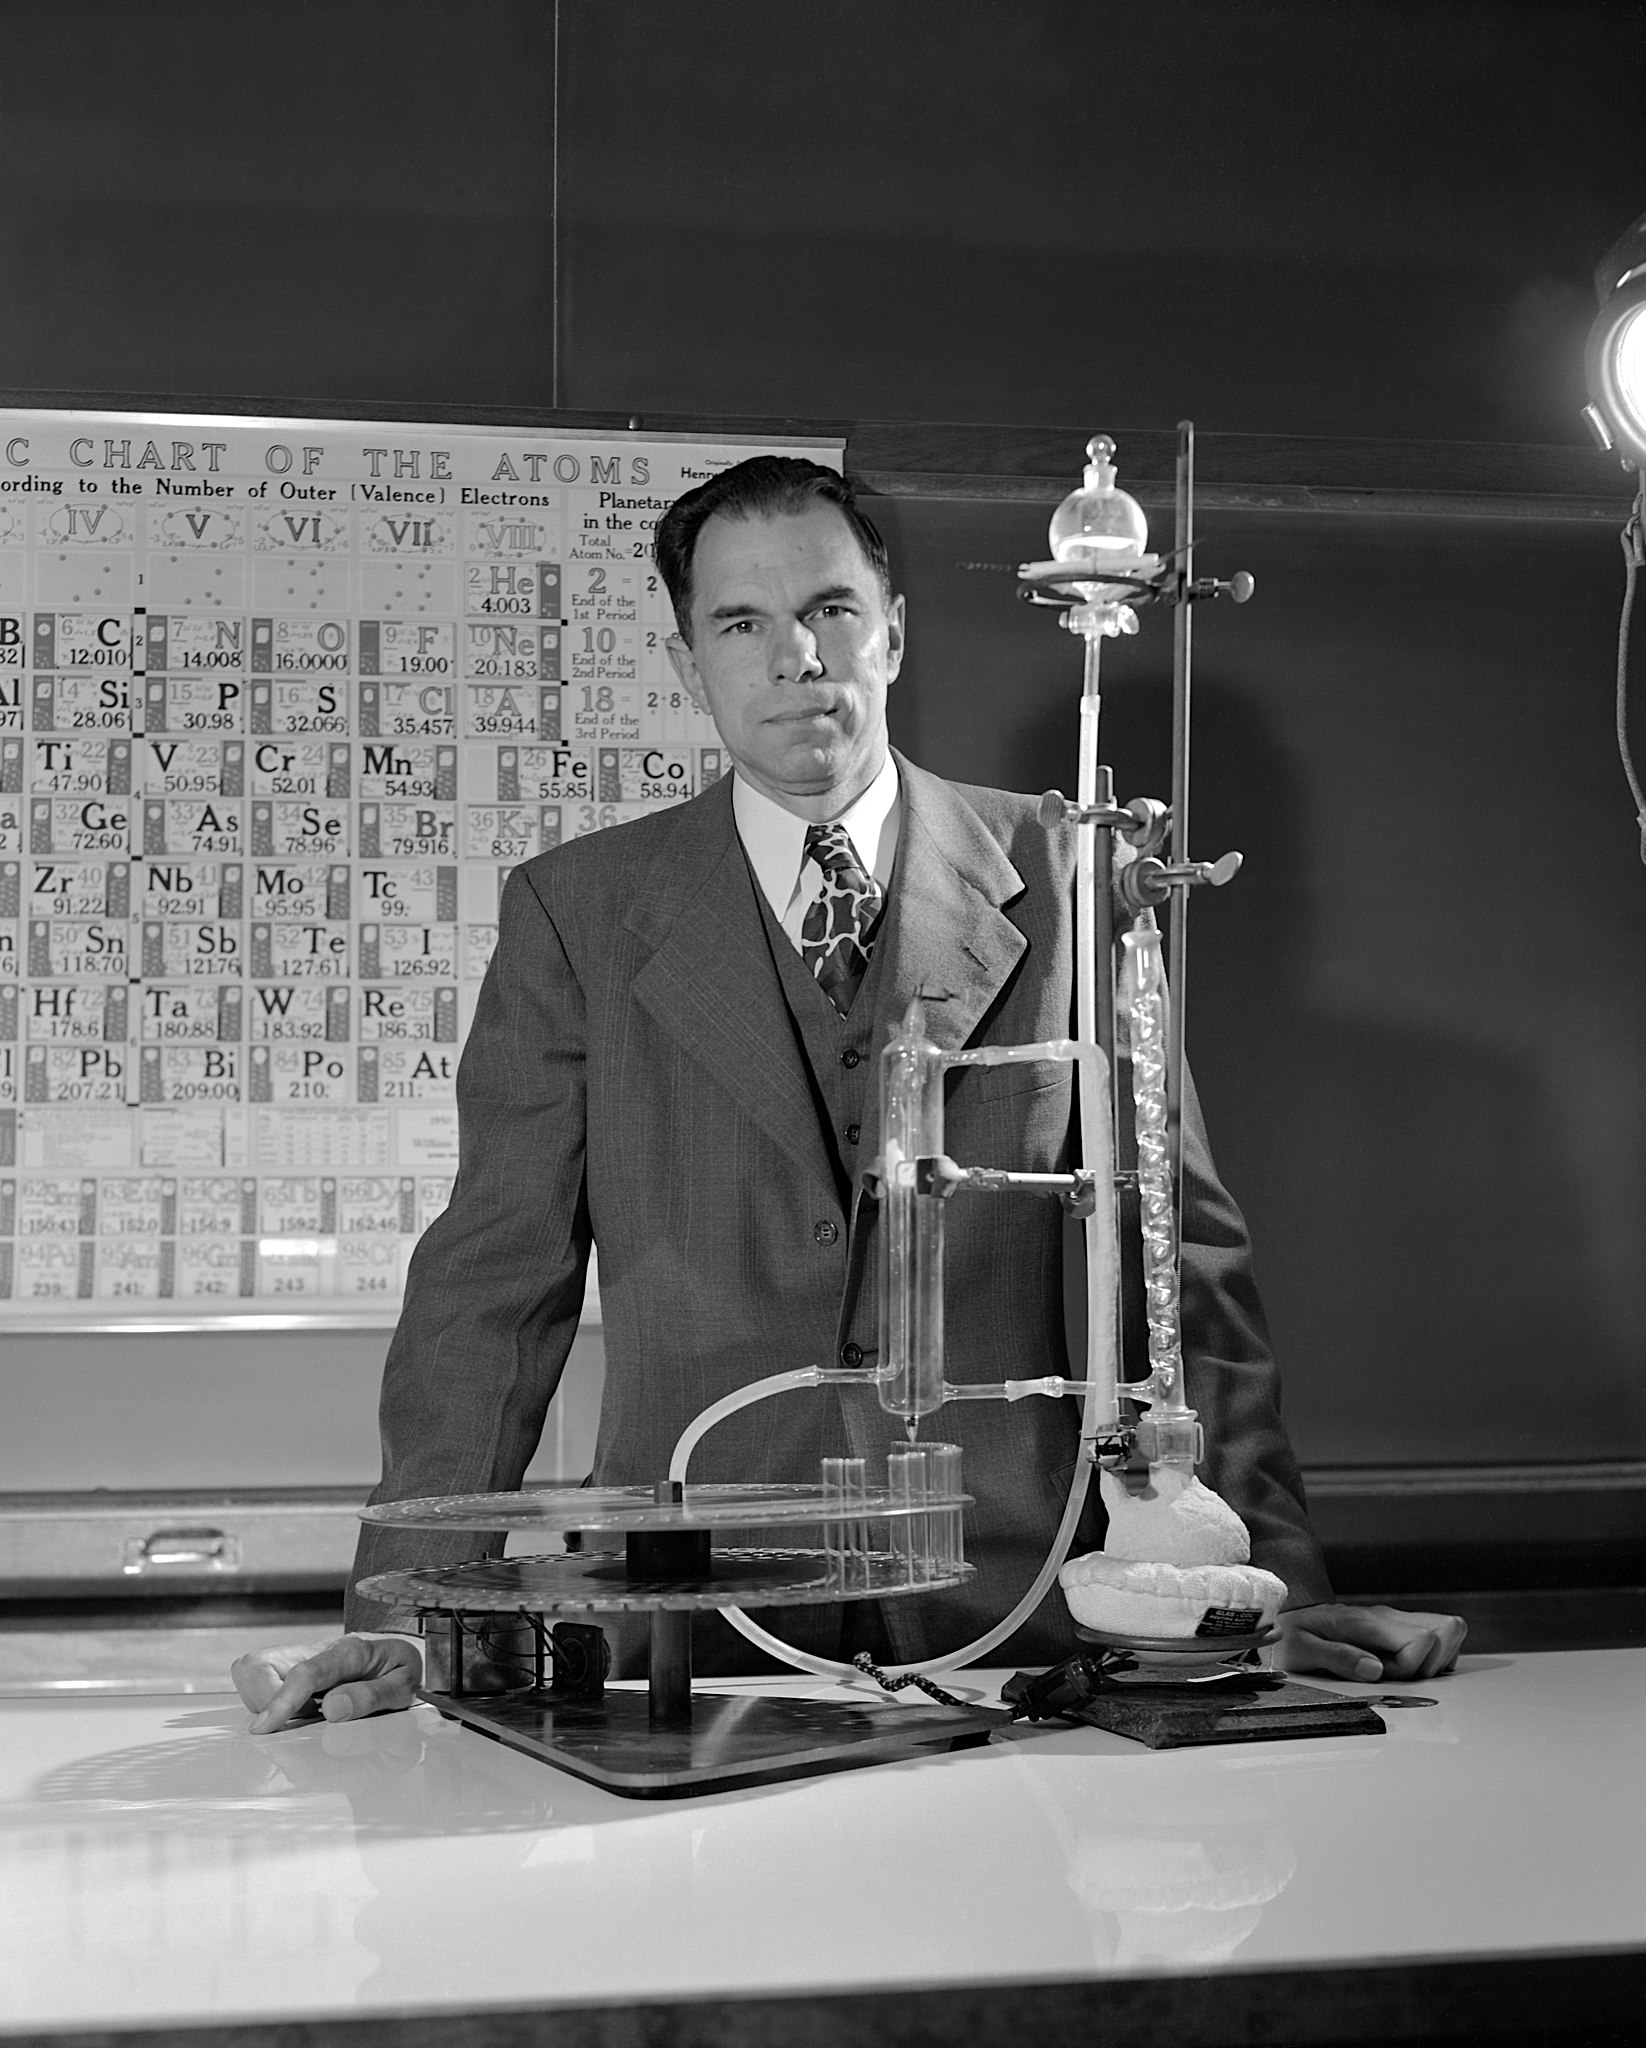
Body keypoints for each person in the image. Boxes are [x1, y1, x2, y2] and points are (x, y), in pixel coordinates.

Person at [236, 459, 1464, 1732]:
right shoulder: (577, 915)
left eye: (828, 609)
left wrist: (1256, 1589)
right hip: (697, 1627)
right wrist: (396, 1619)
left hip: (1029, 1626)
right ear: (686, 663)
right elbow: (490, 1286)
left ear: (891, 630)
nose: (794, 657)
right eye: (740, 623)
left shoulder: (1069, 873)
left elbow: (1177, 1259)